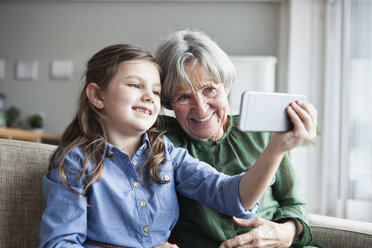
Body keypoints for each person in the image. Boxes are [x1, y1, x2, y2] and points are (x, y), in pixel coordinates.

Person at [39, 44, 308, 248]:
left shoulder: (167, 154)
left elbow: (233, 196)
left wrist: (276, 148)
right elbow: (59, 243)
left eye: (155, 91)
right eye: (135, 85)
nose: (148, 96)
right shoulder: (76, 163)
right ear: (98, 96)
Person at [155, 30, 318, 248]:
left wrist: (285, 232)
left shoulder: (264, 133)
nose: (201, 108)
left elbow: (293, 202)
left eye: (210, 89)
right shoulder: (161, 145)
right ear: (167, 103)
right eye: (184, 97)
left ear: (227, 87)